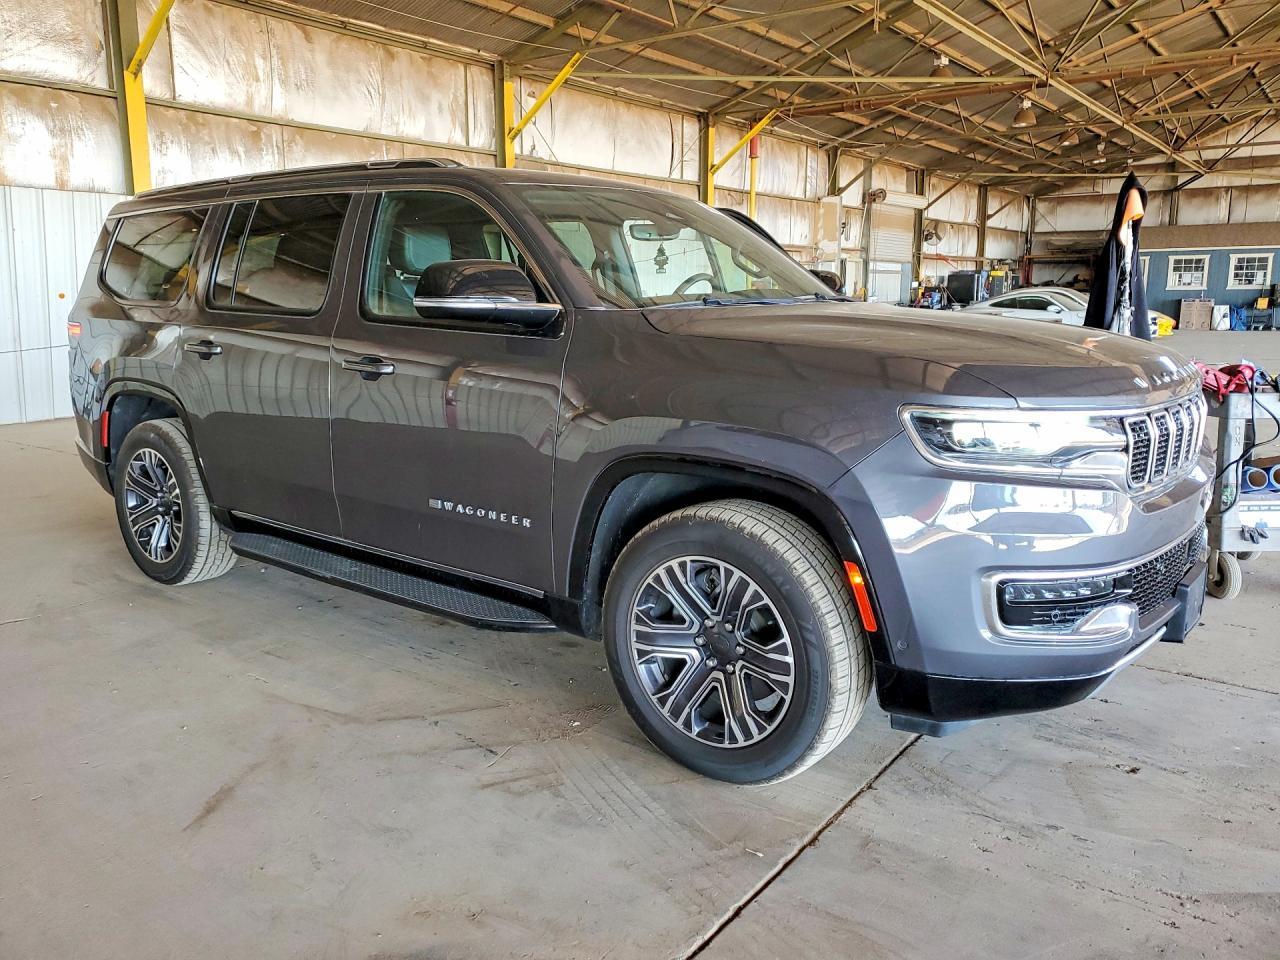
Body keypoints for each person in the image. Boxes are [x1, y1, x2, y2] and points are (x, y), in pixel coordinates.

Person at [1084, 172, 1151, 340]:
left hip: (1127, 314)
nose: (1137, 213)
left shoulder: (1131, 245)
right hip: (1117, 316)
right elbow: (1104, 290)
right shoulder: (1114, 250)